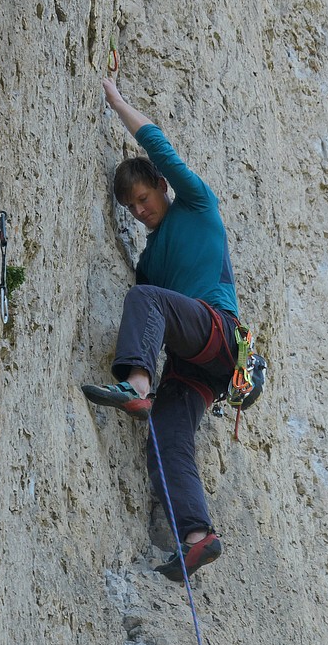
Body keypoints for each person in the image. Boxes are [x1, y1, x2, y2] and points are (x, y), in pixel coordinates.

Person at [82, 76, 242, 582]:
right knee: (167, 437)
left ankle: (136, 387)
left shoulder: (196, 203)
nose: (140, 209)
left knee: (146, 300)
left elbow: (160, 146)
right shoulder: (150, 260)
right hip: (198, 365)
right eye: (130, 207)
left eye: (144, 197)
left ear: (160, 187)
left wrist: (117, 100)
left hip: (217, 329)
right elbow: (152, 318)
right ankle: (198, 538)